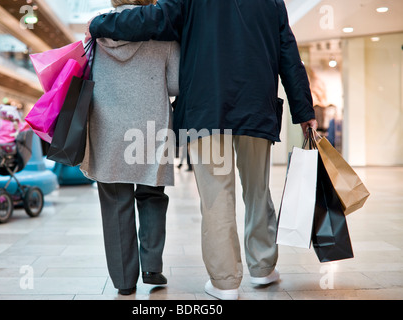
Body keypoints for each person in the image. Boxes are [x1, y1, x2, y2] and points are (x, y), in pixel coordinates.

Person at [87, 0, 317, 300]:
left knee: (216, 195)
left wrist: (99, 25)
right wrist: (304, 111)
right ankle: (262, 268)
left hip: (206, 110)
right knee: (258, 190)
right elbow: (288, 53)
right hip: (256, 106)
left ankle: (225, 282)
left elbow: (153, 19)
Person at [79, 0, 180, 296]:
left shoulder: (97, 27)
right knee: (152, 193)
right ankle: (152, 266)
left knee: (114, 200)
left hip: (106, 126)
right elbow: (174, 85)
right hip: (150, 126)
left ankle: (124, 281)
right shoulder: (164, 30)